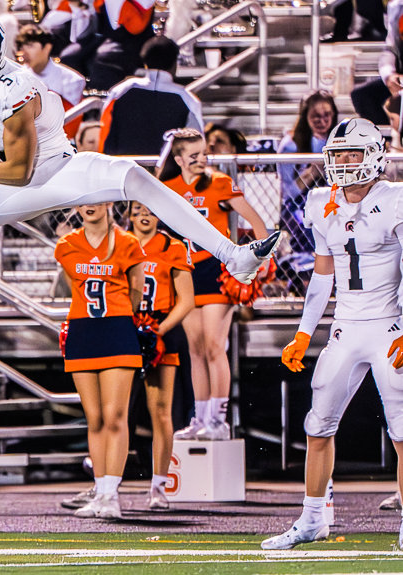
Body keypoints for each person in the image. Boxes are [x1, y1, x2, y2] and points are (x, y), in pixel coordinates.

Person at [0, 10, 280, 379]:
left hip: (51, 170)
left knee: (134, 177)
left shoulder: (15, 88)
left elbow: (19, 170)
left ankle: (233, 256)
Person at [262, 117, 403, 550]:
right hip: (345, 326)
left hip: (389, 324)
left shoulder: (395, 199)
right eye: (337, 154)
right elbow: (323, 275)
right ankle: (312, 519)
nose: (342, 162)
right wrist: (304, 333)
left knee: (402, 432)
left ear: (374, 156)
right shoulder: (323, 200)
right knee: (318, 424)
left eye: (352, 154)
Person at [157, 128, 270, 440]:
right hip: (186, 272)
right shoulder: (168, 187)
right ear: (179, 159)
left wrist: (261, 260)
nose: (202, 160)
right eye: (193, 155)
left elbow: (257, 222)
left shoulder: (219, 182)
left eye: (204, 153)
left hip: (215, 270)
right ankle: (201, 418)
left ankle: (219, 420)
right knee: (194, 349)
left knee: (213, 345)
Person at [56, 203, 145, 519]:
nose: (89, 206)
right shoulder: (67, 245)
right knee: (94, 419)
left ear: (109, 202)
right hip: (83, 332)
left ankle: (111, 495)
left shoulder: (128, 243)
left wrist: (118, 317)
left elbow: (137, 293)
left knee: (115, 416)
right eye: (84, 200)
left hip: (117, 329)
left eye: (97, 199)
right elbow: (70, 288)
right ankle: (99, 491)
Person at [127, 201, 195, 509]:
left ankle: (158, 487)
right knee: (115, 413)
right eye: (138, 208)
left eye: (151, 209)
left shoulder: (172, 246)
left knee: (161, 412)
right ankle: (104, 484)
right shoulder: (120, 244)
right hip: (125, 328)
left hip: (161, 328)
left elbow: (187, 300)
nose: (145, 214)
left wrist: (157, 331)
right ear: (129, 213)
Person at [97, 36, 203, 156]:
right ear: (175, 64)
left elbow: (104, 134)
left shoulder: (120, 91)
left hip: (123, 165)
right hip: (164, 167)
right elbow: (196, 146)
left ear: (144, 62)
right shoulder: (188, 99)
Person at [277, 90, 339, 253]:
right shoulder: (290, 145)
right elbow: (285, 194)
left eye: (327, 115)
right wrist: (311, 173)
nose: (322, 121)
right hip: (300, 205)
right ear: (306, 116)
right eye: (316, 116)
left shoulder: (338, 141)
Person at [15, 23, 87, 139]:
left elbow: (71, 125)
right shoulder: (15, 77)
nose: (24, 52)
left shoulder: (72, 80)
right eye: (22, 47)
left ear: (47, 48)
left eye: (30, 46)